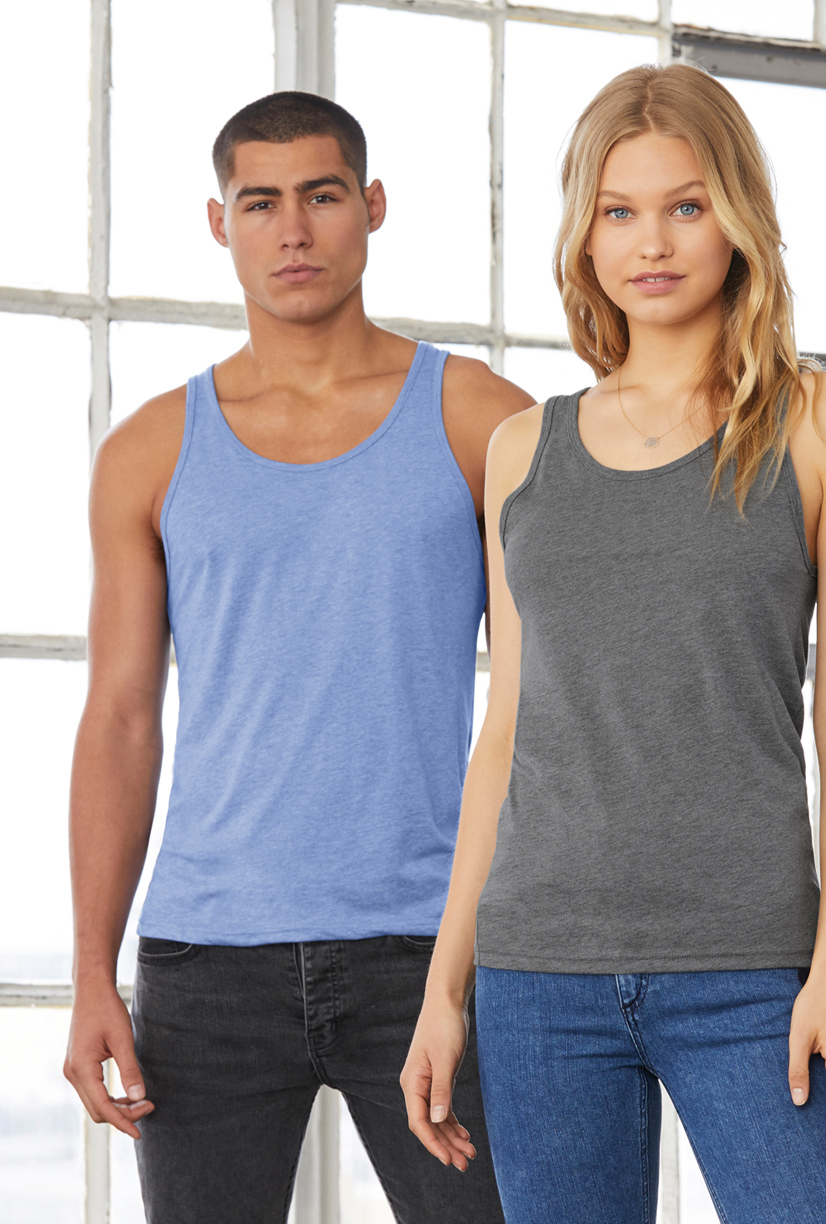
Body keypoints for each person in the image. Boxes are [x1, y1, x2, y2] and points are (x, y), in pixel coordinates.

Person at [63, 90, 532, 1222]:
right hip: (205, 964)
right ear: (218, 223)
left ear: (372, 206)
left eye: (321, 196)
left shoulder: (481, 419)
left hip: (432, 951)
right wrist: (90, 971)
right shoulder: (149, 451)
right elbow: (120, 718)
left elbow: (548, 697)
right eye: (259, 203)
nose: (293, 231)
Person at [401, 62, 826, 1223]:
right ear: (584, 236)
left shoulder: (804, 425)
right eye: (617, 210)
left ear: (736, 218)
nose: (652, 242)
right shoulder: (521, 452)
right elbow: (505, 736)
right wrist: (444, 992)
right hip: (540, 973)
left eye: (685, 205)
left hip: (752, 965)